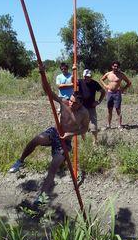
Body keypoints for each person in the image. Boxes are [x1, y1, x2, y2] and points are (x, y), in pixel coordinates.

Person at [8, 64, 89, 202]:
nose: (71, 104)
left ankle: (41, 196)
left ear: (80, 104)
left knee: (53, 167)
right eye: (71, 101)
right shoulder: (64, 102)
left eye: (74, 103)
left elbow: (84, 129)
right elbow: (48, 91)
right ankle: (20, 161)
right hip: (55, 132)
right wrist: (42, 74)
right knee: (36, 140)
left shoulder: (84, 113)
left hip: (65, 141)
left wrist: (71, 134)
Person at [100, 61, 132, 130]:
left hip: (117, 93)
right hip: (109, 93)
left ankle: (119, 125)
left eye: (117, 66)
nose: (116, 67)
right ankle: (108, 125)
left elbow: (129, 82)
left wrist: (123, 89)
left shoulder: (121, 75)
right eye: (114, 66)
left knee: (118, 109)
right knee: (109, 109)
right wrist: (105, 85)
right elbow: (101, 79)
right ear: (112, 66)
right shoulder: (108, 74)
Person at [78, 69, 106, 144]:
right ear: (83, 76)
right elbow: (72, 82)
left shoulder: (94, 83)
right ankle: (84, 141)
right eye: (86, 76)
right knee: (82, 125)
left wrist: (98, 101)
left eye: (89, 77)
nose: (87, 78)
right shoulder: (79, 82)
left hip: (91, 107)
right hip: (81, 107)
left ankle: (95, 141)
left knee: (93, 125)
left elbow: (103, 92)